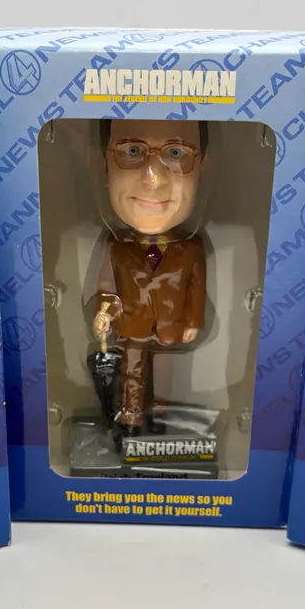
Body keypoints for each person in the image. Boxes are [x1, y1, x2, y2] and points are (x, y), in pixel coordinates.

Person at [92, 119, 206, 436]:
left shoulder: (190, 248)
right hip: (132, 324)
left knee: (167, 372)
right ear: (104, 165)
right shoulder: (117, 247)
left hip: (171, 325)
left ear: (203, 168)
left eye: (176, 152)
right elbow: (107, 286)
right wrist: (104, 312)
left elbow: (196, 288)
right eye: (132, 150)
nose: (153, 179)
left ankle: (160, 414)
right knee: (132, 371)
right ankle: (130, 417)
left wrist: (194, 321)